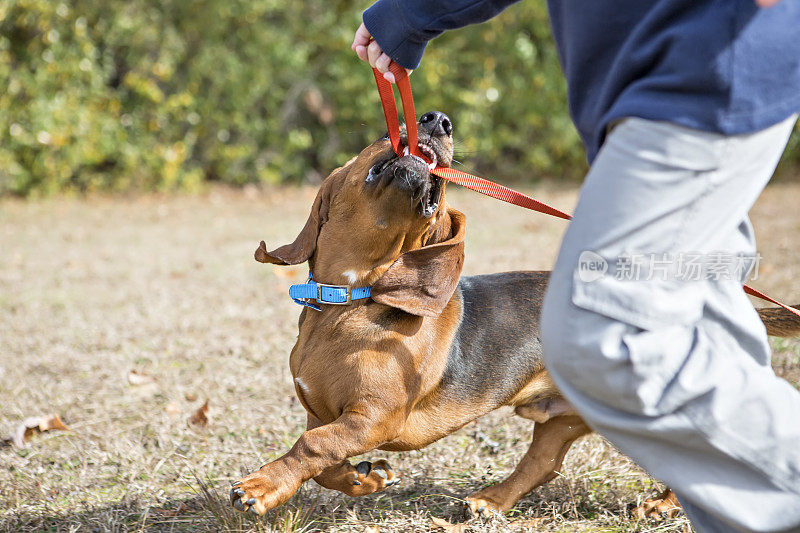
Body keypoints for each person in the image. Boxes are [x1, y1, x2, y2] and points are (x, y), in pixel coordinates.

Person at [352, 1, 800, 531]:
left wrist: (409, 14)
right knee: (705, 312)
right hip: (684, 85)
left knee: (602, 333)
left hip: (696, 83)